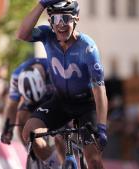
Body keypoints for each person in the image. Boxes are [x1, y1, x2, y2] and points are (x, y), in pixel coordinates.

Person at [16, 0, 108, 168]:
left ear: (76, 19)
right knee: (30, 133)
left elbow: (100, 90)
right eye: (55, 20)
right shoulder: (47, 36)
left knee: (93, 160)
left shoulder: (88, 48)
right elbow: (22, 33)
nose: (61, 25)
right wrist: (42, 4)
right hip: (60, 101)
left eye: (66, 18)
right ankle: (56, 165)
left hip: (86, 105)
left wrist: (102, 126)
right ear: (50, 22)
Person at [0, 57, 63, 168]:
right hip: (31, 103)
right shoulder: (16, 76)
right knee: (22, 117)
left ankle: (61, 161)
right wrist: (7, 129)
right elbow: (12, 105)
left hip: (55, 99)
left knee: (61, 137)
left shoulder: (55, 69)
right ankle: (33, 153)